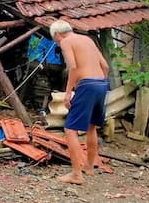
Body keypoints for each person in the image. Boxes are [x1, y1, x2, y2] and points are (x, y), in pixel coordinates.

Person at [50, 20, 110, 185]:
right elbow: (105, 66)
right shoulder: (87, 40)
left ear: (57, 34)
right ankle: (89, 167)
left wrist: (68, 93)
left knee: (70, 129)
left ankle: (76, 174)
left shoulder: (66, 41)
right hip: (101, 84)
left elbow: (73, 67)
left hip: (87, 84)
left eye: (55, 39)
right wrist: (100, 84)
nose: (57, 42)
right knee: (91, 126)